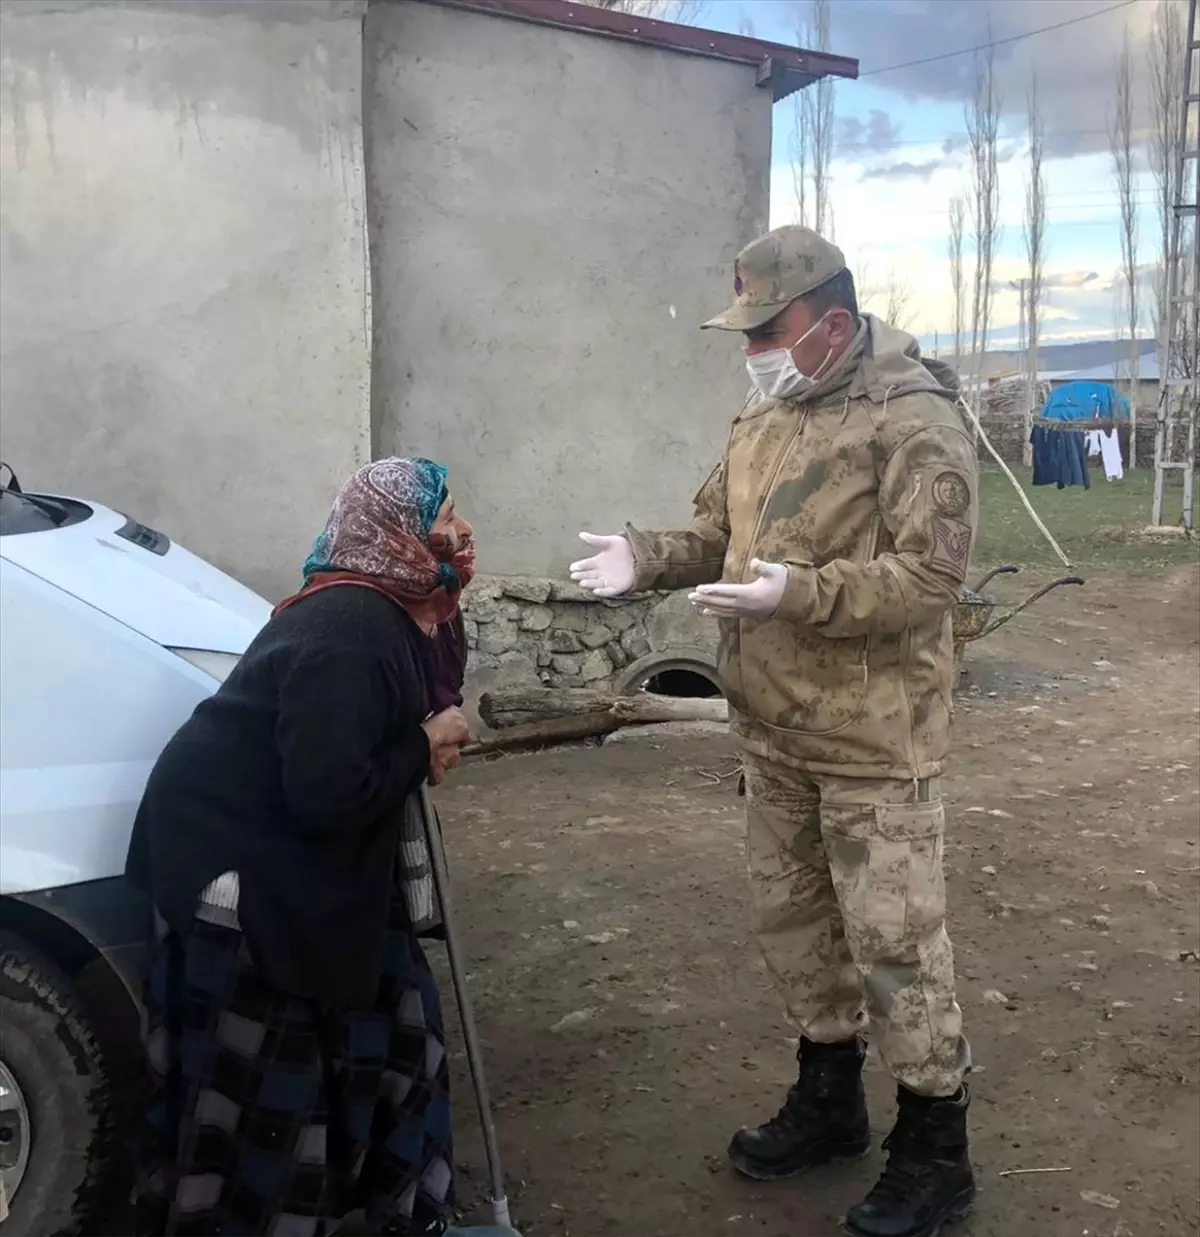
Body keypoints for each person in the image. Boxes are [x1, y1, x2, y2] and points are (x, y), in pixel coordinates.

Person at [570, 226, 979, 1237]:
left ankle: (936, 1147)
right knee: (796, 930)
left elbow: (935, 576)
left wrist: (803, 592)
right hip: (776, 731)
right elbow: (718, 534)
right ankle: (830, 1099)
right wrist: (646, 554)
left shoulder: (911, 419)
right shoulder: (767, 415)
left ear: (831, 324)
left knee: (896, 944)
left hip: (875, 743)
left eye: (769, 328)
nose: (753, 349)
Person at [126, 457, 513, 1237]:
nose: (463, 532)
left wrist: (416, 738)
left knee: (396, 1017)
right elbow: (328, 791)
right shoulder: (350, 634)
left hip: (306, 853)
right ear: (395, 535)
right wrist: (421, 742)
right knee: (276, 1085)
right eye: (445, 518)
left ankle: (382, 1207)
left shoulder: (395, 608)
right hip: (240, 872)